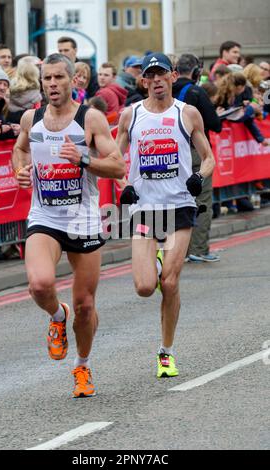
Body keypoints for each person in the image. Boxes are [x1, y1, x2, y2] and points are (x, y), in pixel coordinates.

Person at [12, 53, 125, 398]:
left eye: (59, 78)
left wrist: (85, 159)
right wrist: (21, 170)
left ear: (73, 80)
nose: (52, 85)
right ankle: (56, 317)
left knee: (86, 307)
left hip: (83, 218)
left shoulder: (89, 119)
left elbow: (118, 167)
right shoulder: (32, 118)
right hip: (45, 216)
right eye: (47, 79)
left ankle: (83, 365)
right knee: (40, 284)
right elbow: (20, 149)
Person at [116, 53, 215, 378]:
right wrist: (123, 184)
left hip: (179, 206)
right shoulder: (130, 115)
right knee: (145, 287)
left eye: (162, 74)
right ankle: (156, 263)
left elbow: (209, 158)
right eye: (150, 75)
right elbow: (116, 159)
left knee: (169, 283)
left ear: (173, 77)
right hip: (145, 208)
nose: (157, 80)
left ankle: (166, 352)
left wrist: (199, 178)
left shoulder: (187, 113)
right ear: (143, 80)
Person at [172, 54, 222, 263]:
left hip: (169, 153)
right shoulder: (196, 91)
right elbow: (215, 123)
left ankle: (177, 251)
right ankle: (198, 249)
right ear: (195, 72)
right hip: (194, 152)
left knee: (175, 201)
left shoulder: (167, 92)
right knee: (201, 201)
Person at [8, 59, 42, 123]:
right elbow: (37, 115)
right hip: (28, 123)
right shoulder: (36, 95)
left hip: (11, 122)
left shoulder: (9, 88)